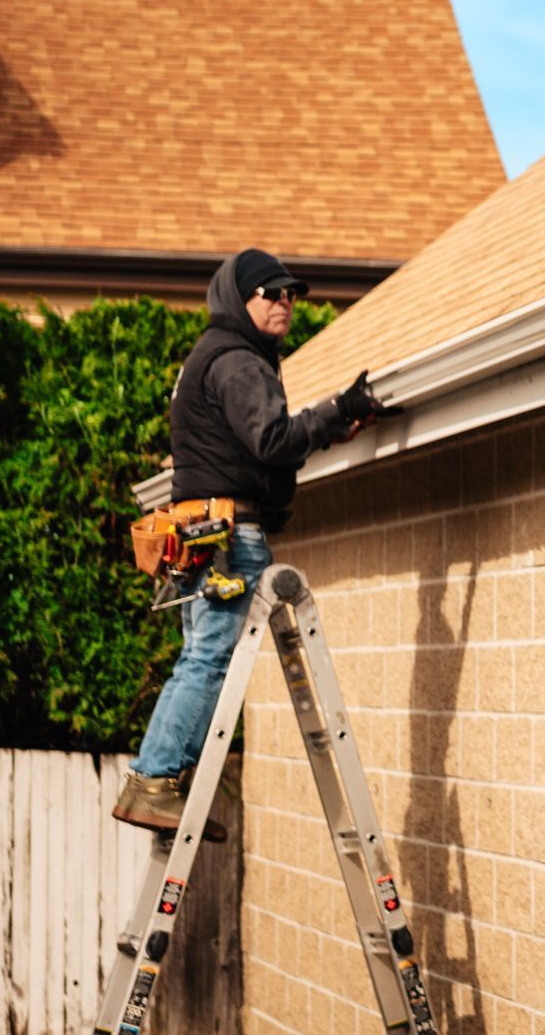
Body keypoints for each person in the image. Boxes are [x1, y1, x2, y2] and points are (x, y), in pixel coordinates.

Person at [112, 248, 386, 837]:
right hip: (228, 536)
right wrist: (339, 409)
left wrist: (329, 430)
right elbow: (270, 440)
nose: (286, 302)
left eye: (291, 294)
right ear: (241, 298)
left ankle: (161, 785)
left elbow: (250, 448)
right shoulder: (239, 361)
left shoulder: (213, 357)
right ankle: (155, 781)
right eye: (272, 293)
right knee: (208, 661)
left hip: (200, 530)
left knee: (197, 659)